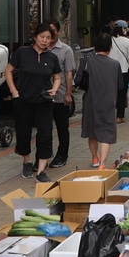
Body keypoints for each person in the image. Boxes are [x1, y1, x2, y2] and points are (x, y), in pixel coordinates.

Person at [4, 24, 61, 183]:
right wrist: (14, 91)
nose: (45, 40)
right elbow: (8, 71)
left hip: (44, 101)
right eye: (42, 37)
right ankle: (27, 161)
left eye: (48, 38)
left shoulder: (52, 57)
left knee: (45, 134)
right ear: (35, 37)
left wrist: (55, 89)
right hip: (23, 101)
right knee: (23, 134)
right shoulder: (22, 53)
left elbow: (57, 76)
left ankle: (41, 170)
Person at [79, 34, 121, 169]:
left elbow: (78, 81)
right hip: (108, 101)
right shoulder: (115, 64)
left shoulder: (86, 61)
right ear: (110, 47)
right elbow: (120, 85)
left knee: (92, 131)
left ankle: (95, 158)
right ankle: (102, 164)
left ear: (95, 47)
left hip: (91, 100)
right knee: (106, 133)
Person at [46, 20, 75, 169]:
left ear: (58, 32)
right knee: (44, 128)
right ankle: (44, 156)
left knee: (62, 127)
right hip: (43, 96)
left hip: (60, 94)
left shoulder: (65, 50)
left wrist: (68, 94)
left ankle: (62, 155)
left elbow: (69, 73)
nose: (48, 35)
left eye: (52, 31)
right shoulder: (41, 49)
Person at [109, 21, 129, 124]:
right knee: (122, 94)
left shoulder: (109, 40)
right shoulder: (126, 41)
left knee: (110, 94)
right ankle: (119, 117)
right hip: (123, 70)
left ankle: (109, 116)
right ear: (123, 29)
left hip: (109, 71)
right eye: (125, 29)